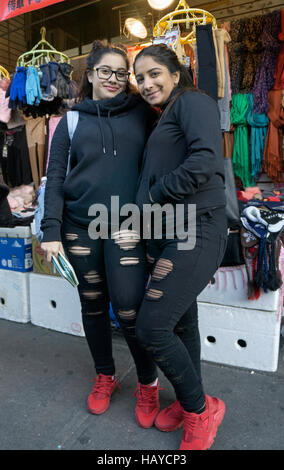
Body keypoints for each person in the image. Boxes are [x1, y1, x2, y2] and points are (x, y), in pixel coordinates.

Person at [40, 41, 160, 426]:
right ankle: (105, 375)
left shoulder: (143, 112)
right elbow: (55, 176)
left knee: (128, 307)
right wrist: (50, 230)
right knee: (92, 304)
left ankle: (148, 382)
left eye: (121, 73)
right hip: (79, 227)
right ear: (89, 74)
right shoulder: (71, 120)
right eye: (105, 71)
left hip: (127, 226)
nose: (114, 79)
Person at [133, 44, 228, 450]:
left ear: (176, 73)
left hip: (200, 227)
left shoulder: (193, 102)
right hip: (174, 233)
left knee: (152, 327)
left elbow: (206, 160)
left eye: (154, 73)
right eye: (140, 78)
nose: (146, 83)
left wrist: (153, 194)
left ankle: (201, 410)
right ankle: (196, 402)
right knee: (181, 323)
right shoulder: (165, 117)